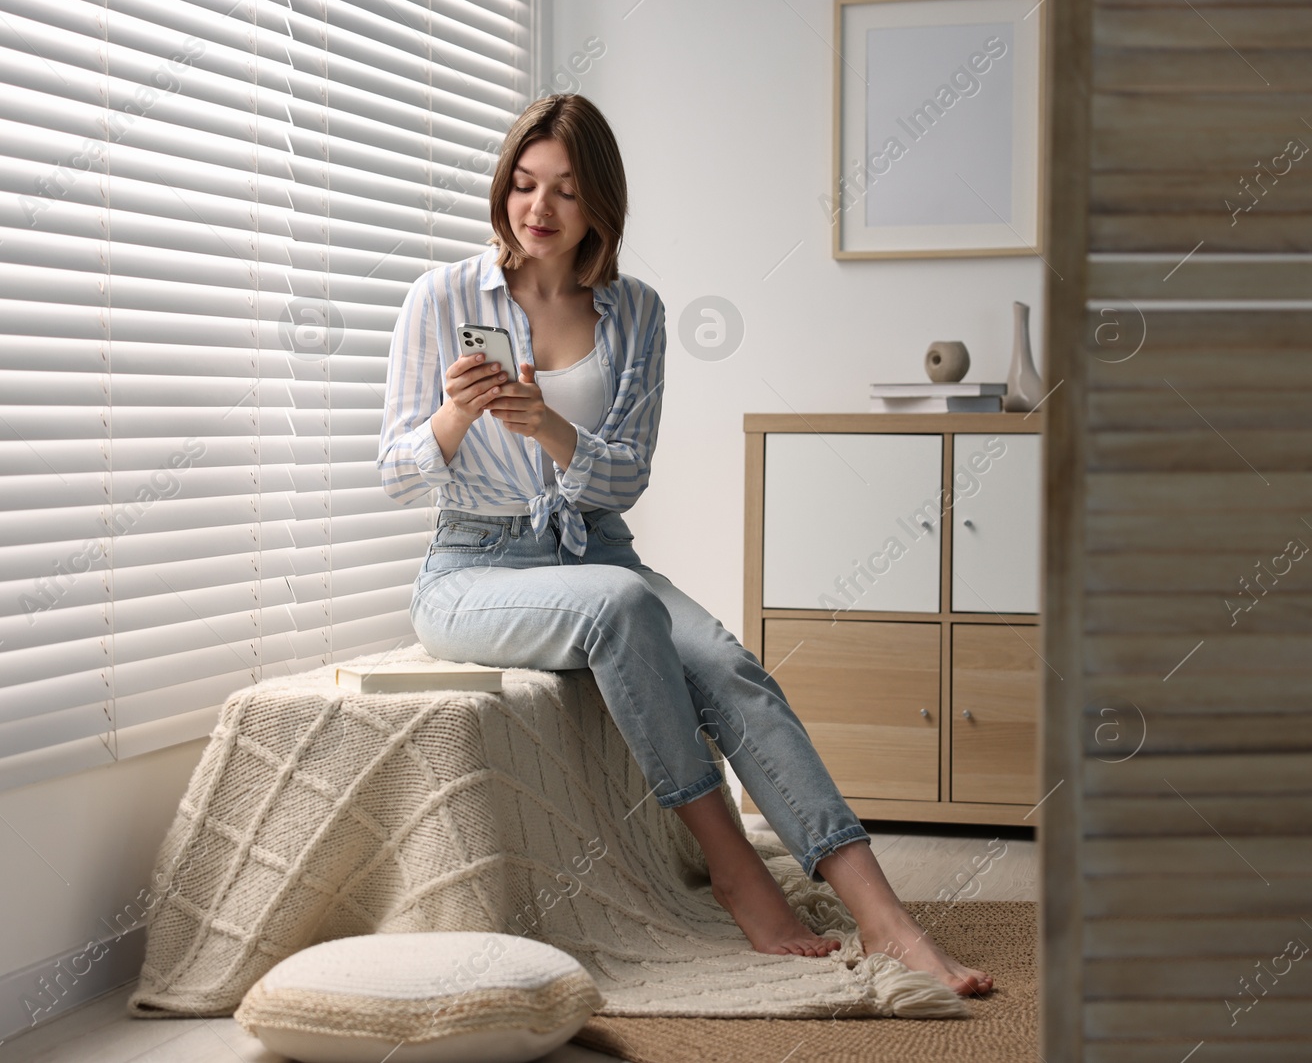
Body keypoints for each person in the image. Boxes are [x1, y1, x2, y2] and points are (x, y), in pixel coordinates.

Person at [375, 93, 991, 997]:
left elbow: (625, 480)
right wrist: (456, 414)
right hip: (470, 572)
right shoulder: (441, 298)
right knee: (622, 606)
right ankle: (736, 867)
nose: (536, 209)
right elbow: (394, 469)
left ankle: (888, 921)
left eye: (565, 192)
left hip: (597, 553)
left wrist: (548, 423)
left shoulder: (637, 314)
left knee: (732, 665)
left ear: (600, 209)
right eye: (523, 183)